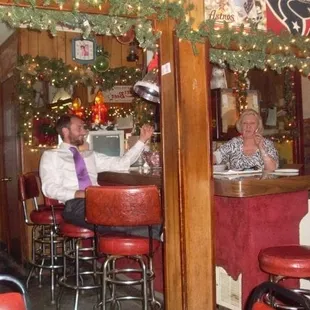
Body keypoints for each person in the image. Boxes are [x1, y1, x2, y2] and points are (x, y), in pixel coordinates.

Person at [39, 114, 160, 238]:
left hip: (100, 200)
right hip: (75, 204)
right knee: (115, 217)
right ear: (65, 131)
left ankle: (156, 231)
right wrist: (79, 193)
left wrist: (142, 140)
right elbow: (49, 188)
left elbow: (122, 164)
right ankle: (157, 233)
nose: (84, 132)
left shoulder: (90, 155)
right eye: (79, 128)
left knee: (136, 209)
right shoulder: (51, 156)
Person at [213, 109, 279, 171]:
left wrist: (261, 148)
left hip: (261, 183)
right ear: (240, 126)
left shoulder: (267, 144)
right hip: (237, 183)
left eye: (252, 123)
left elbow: (272, 169)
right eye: (245, 123)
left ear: (258, 127)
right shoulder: (234, 143)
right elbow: (213, 158)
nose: (248, 126)